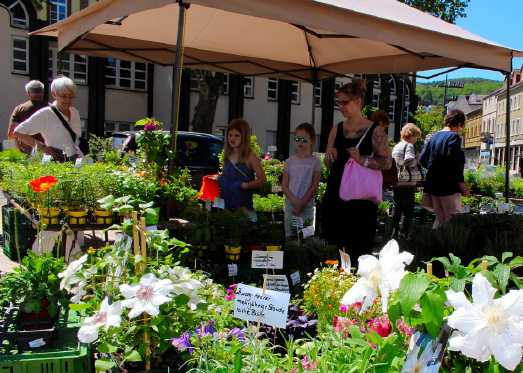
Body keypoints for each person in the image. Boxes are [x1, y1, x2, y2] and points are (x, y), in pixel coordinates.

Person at [323, 79, 392, 257]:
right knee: (335, 249)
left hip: (361, 201)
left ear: (358, 102)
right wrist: (329, 157)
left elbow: (387, 162)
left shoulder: (375, 130)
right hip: (336, 196)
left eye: (345, 102)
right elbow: (329, 165)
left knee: (359, 250)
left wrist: (363, 161)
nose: (341, 107)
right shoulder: (336, 129)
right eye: (339, 102)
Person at [14, 76, 83, 161]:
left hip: (76, 159)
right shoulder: (46, 113)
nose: (68, 100)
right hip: (55, 161)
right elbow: (18, 132)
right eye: (64, 96)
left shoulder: (74, 112)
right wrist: (43, 148)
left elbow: (76, 138)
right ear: (54, 94)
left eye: (71, 96)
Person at [419, 109, 468, 228]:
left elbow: (422, 159)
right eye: (462, 126)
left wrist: (434, 168)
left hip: (433, 185)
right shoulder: (454, 137)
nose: (461, 130)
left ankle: (435, 244)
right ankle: (450, 246)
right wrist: (462, 185)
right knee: (453, 221)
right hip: (448, 186)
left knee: (440, 219)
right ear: (459, 124)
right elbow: (456, 163)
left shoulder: (434, 137)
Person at [282, 123, 321, 237]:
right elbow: (284, 185)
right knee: (290, 236)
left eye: (304, 140)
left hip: (307, 206)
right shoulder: (289, 161)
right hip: (291, 205)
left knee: (306, 237)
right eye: (298, 139)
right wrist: (295, 202)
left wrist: (302, 203)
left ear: (312, 141)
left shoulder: (315, 162)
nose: (300, 142)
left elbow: (314, 186)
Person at [219, 119, 266, 213]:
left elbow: (262, 180)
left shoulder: (250, 156)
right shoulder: (227, 155)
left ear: (244, 137)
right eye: (230, 135)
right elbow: (226, 176)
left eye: (237, 135)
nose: (232, 138)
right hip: (225, 206)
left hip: (243, 208)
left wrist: (247, 185)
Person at [391, 123, 422, 239]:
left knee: (397, 208)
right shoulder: (409, 146)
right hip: (407, 183)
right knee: (408, 211)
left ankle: (394, 233)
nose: (416, 140)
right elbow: (409, 159)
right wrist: (416, 161)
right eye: (416, 137)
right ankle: (404, 235)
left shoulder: (396, 146)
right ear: (411, 135)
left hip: (397, 181)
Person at [8, 80, 47, 154]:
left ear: (28, 93)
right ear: (42, 92)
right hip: (48, 152)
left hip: (26, 152)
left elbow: (11, 134)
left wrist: (17, 152)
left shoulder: (20, 109)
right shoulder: (51, 108)